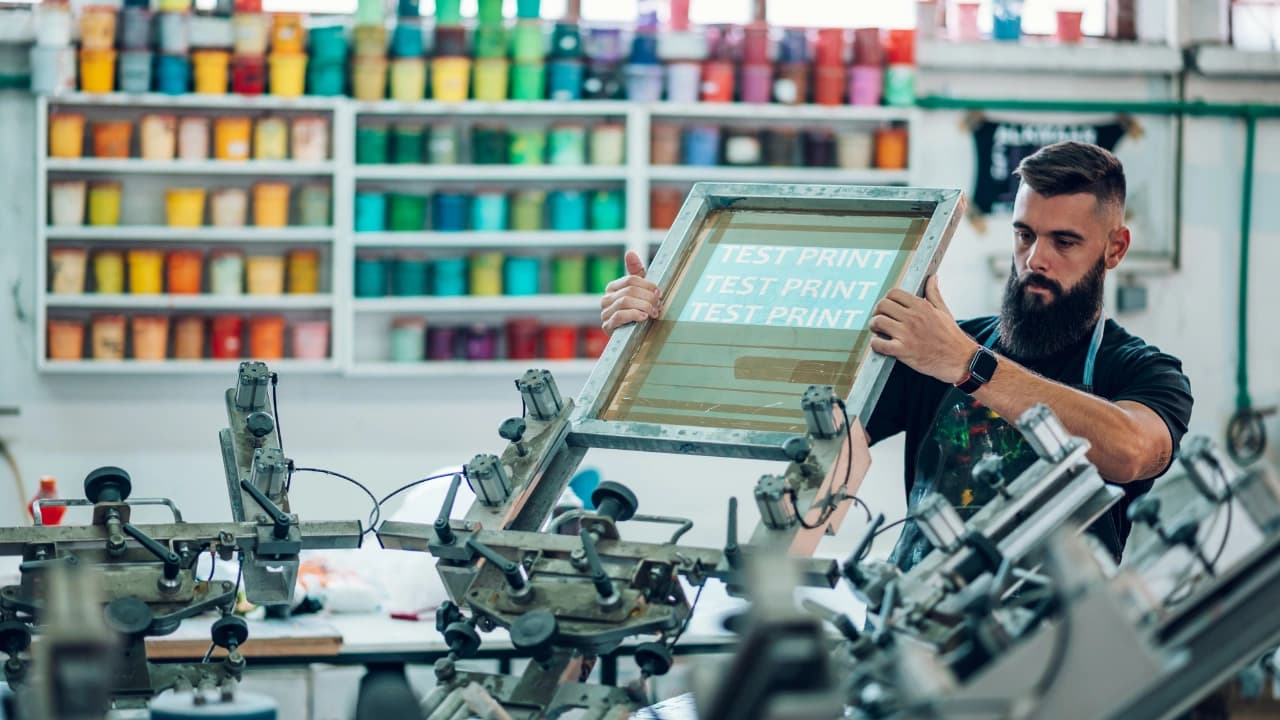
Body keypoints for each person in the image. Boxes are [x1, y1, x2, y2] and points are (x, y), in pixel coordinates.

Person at [598, 141, 1193, 572]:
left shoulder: (1138, 370)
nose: (1036, 258)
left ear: (1114, 248)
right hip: (913, 632)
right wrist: (664, 328)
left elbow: (1131, 451)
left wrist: (968, 366)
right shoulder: (938, 348)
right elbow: (824, 424)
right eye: (1024, 234)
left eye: (1064, 241)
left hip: (1056, 659)